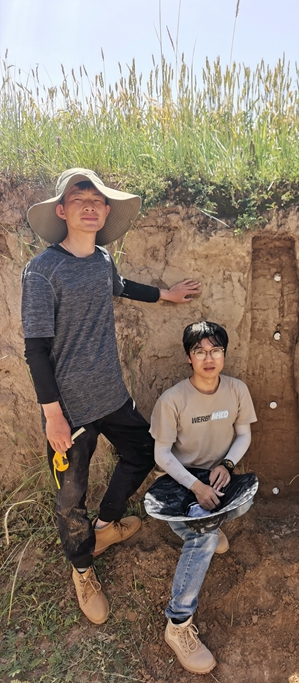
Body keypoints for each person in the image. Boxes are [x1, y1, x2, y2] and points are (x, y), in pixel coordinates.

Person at [21, 168, 201, 624]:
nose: (89, 206)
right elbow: (36, 350)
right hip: (70, 411)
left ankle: (104, 527)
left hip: (113, 397)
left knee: (143, 452)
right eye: (78, 198)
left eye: (97, 200)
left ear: (105, 212)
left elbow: (121, 287)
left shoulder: (102, 260)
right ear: (62, 211)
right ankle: (82, 570)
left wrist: (166, 295)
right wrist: (53, 416)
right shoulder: (42, 271)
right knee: (70, 500)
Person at [149, 321, 257, 675]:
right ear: (189, 357)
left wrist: (227, 464)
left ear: (224, 354)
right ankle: (178, 623)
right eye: (200, 351)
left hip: (216, 477)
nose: (209, 358)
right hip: (179, 484)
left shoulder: (237, 390)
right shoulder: (172, 400)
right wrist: (195, 487)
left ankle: (205, 522)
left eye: (215, 351)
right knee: (205, 539)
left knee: (242, 502)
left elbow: (243, 435)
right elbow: (162, 455)